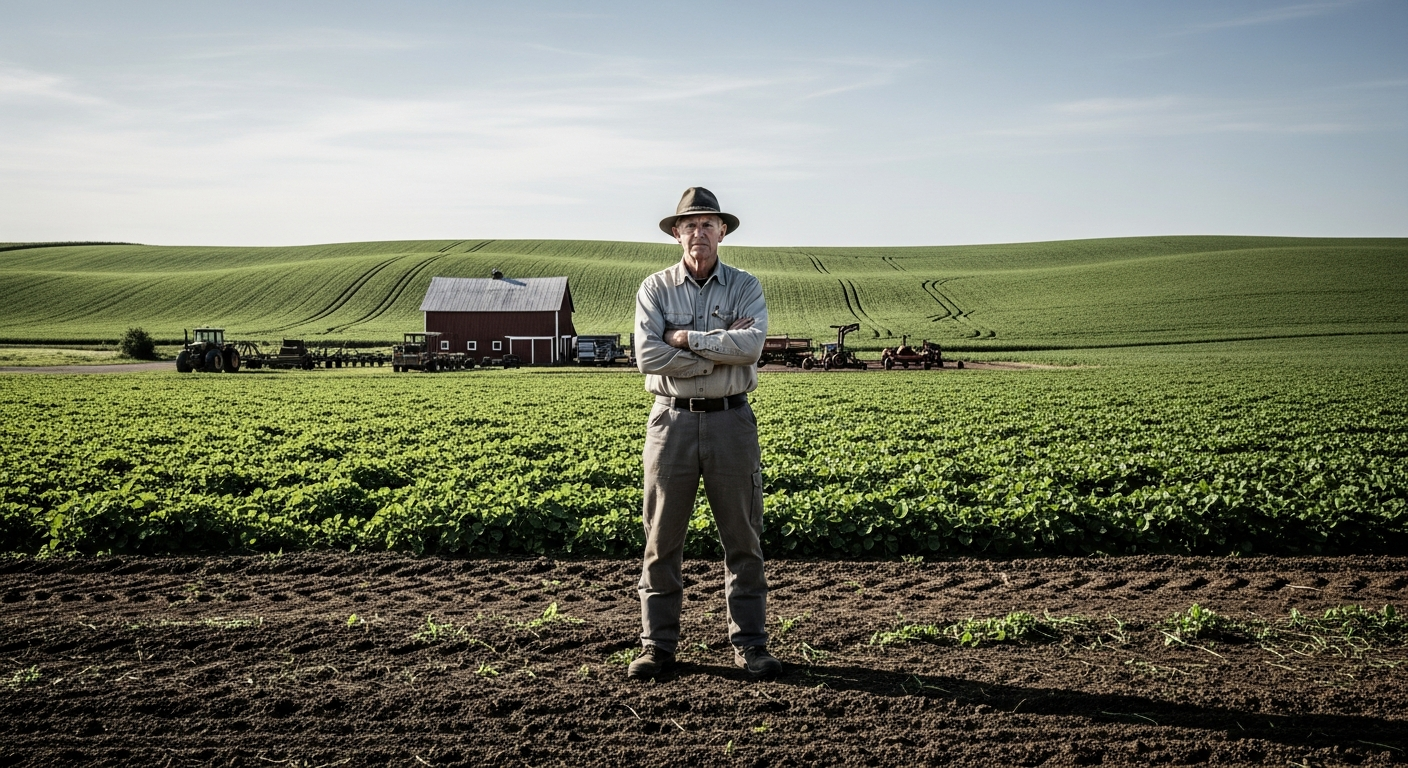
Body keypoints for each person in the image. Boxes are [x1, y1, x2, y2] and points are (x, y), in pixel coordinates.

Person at [627, 187, 782, 681]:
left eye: (708, 224)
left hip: (731, 420)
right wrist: (718, 349)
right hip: (670, 422)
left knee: (743, 537)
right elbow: (648, 357)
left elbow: (751, 346)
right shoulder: (655, 288)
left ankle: (751, 645)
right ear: (677, 233)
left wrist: (686, 339)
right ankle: (657, 646)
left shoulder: (744, 286)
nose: (699, 232)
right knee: (661, 539)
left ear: (723, 232)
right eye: (690, 225)